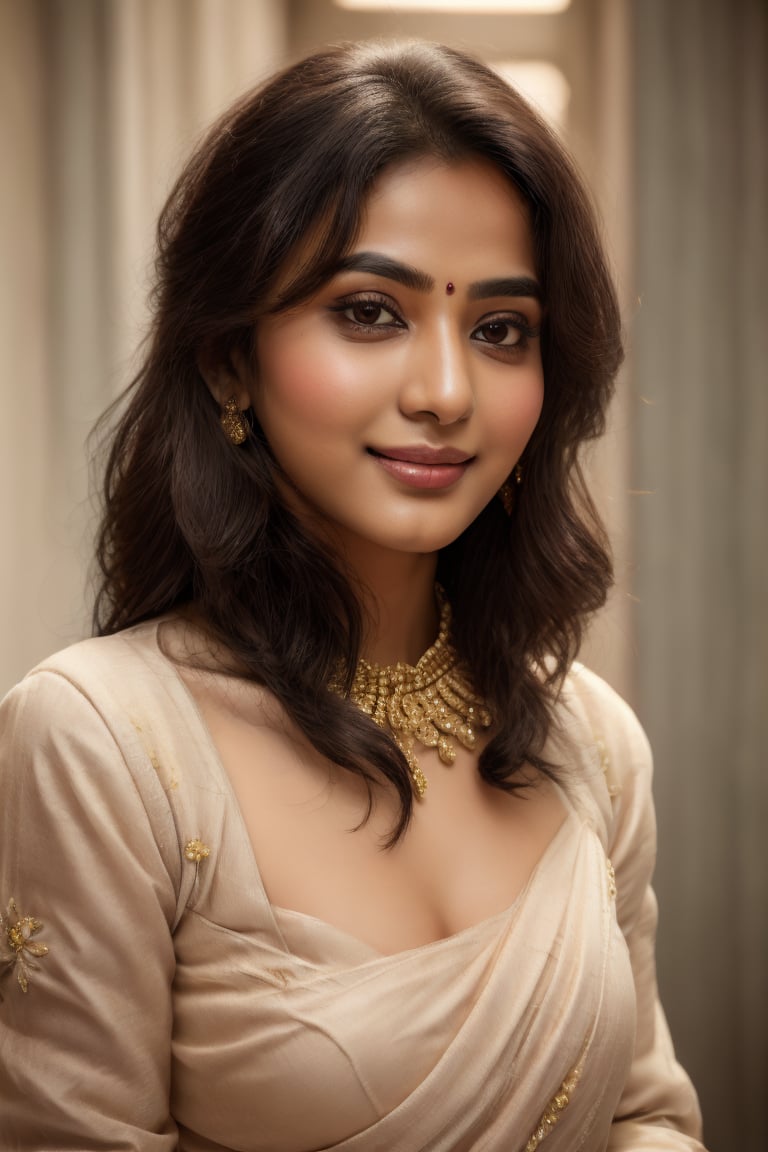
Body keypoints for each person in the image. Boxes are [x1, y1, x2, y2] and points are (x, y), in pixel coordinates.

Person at [0, 38, 706, 1152]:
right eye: (371, 311)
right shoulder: (103, 742)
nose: (444, 390)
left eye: (500, 330)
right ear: (231, 360)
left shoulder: (591, 745)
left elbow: (644, 1114)